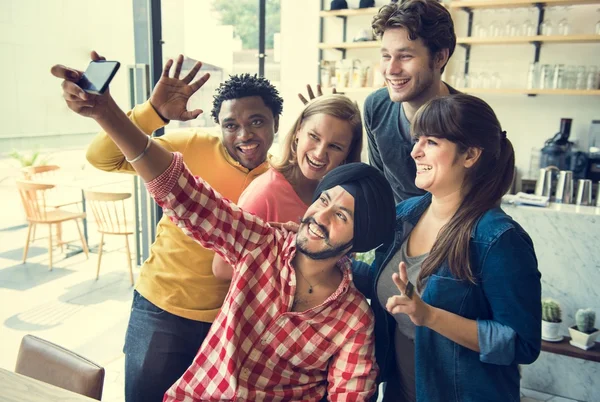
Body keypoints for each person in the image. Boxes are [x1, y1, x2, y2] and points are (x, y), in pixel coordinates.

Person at [52, 55, 397, 400]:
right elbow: (179, 190)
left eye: (342, 216)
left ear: (277, 124)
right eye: (324, 202)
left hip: (221, 319)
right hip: (165, 305)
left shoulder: (352, 318)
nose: (321, 217)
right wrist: (108, 112)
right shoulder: (263, 235)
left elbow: (351, 388)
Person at [52, 52, 283, 402]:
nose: (244, 134)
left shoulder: (280, 178)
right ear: (218, 125)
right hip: (161, 310)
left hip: (228, 322)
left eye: (257, 122)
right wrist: (152, 113)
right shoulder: (187, 147)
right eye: (231, 125)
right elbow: (103, 157)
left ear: (276, 123)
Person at [353, 94, 542, 402]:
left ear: (470, 155)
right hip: (398, 392)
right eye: (417, 139)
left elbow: (521, 343)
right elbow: (380, 282)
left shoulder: (498, 238)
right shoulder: (405, 215)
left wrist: (430, 316)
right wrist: (325, 255)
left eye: (431, 142)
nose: (415, 151)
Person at [212, 94, 363, 280]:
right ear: (298, 131)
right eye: (314, 136)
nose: (319, 153)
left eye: (335, 146)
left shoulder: (340, 197)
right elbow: (222, 269)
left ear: (348, 152)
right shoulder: (265, 193)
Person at [366, 0, 458, 202]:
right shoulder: (376, 107)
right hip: (395, 229)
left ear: (440, 57)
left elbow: (483, 202)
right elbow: (378, 185)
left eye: (405, 56)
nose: (391, 69)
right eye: (386, 56)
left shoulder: (469, 118)